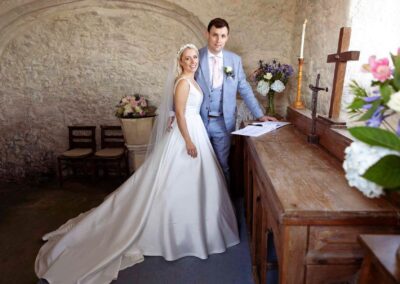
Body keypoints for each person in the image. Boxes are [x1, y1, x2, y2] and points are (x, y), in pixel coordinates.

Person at [35, 44, 239, 284]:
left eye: (195, 57)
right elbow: (181, 114)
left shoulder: (192, 80)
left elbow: (181, 115)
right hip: (188, 135)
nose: (193, 61)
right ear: (181, 61)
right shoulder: (183, 82)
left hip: (196, 131)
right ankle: (171, 232)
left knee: (194, 183)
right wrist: (188, 141)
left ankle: (199, 230)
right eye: (188, 58)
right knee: (171, 183)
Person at [196, 18, 276, 183]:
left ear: (227, 37)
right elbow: (183, 84)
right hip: (198, 122)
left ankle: (224, 206)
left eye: (223, 36)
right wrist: (173, 112)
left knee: (222, 165)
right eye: (215, 35)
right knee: (198, 165)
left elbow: (245, 89)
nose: (219, 40)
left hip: (223, 123)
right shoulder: (196, 56)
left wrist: (260, 115)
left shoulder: (234, 60)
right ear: (207, 34)